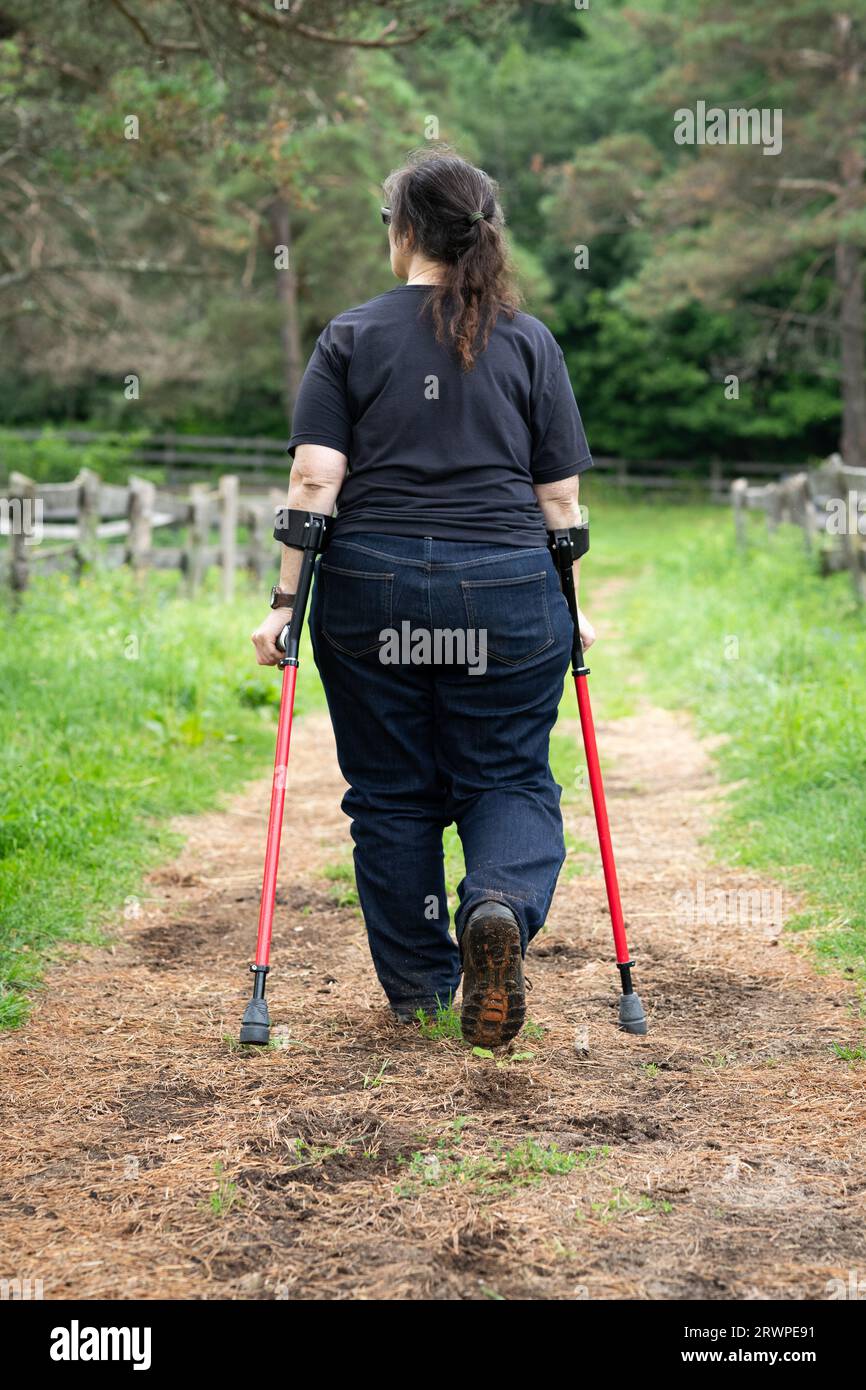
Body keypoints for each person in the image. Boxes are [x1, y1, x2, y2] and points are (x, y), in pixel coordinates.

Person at [252, 150, 595, 1047]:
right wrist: (571, 604)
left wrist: (285, 604)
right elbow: (558, 502)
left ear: (404, 232)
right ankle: (500, 908)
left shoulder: (352, 335)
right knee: (509, 773)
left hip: (373, 587)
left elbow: (314, 477)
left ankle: (421, 993)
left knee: (392, 792)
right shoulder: (529, 341)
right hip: (509, 589)